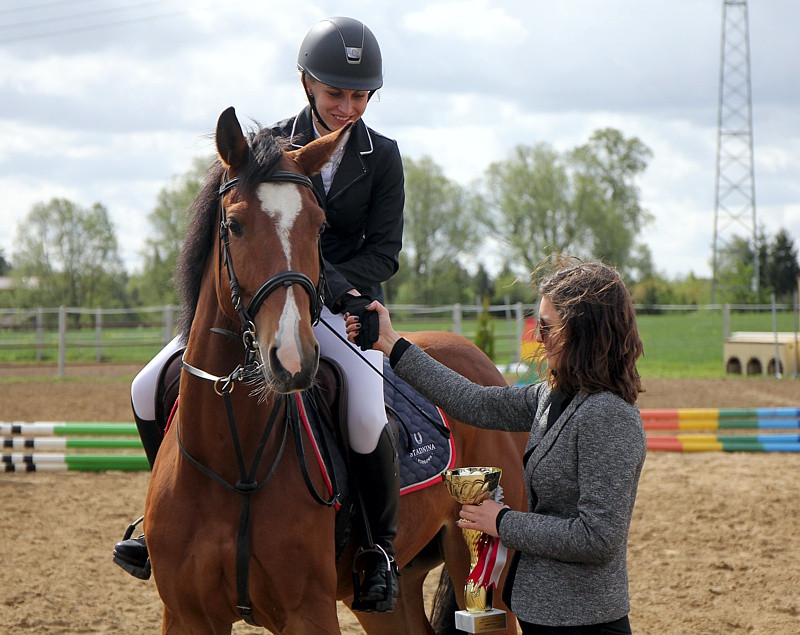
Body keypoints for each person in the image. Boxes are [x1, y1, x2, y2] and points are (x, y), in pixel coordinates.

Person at [114, 16, 404, 612]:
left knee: (365, 412)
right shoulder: (262, 148)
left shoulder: (383, 157)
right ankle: (157, 518)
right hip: (255, 302)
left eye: (360, 96)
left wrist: (325, 285)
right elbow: (225, 235)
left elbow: (384, 251)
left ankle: (378, 548)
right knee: (146, 387)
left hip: (340, 308)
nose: (348, 107)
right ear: (307, 84)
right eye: (336, 93)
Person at [346, 260, 646, 633]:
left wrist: (502, 521)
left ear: (582, 332)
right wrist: (391, 343)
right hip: (541, 612)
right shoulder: (553, 397)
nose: (538, 338)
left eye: (547, 327)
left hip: (586, 619)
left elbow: (598, 538)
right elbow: (473, 401)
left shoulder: (610, 416)